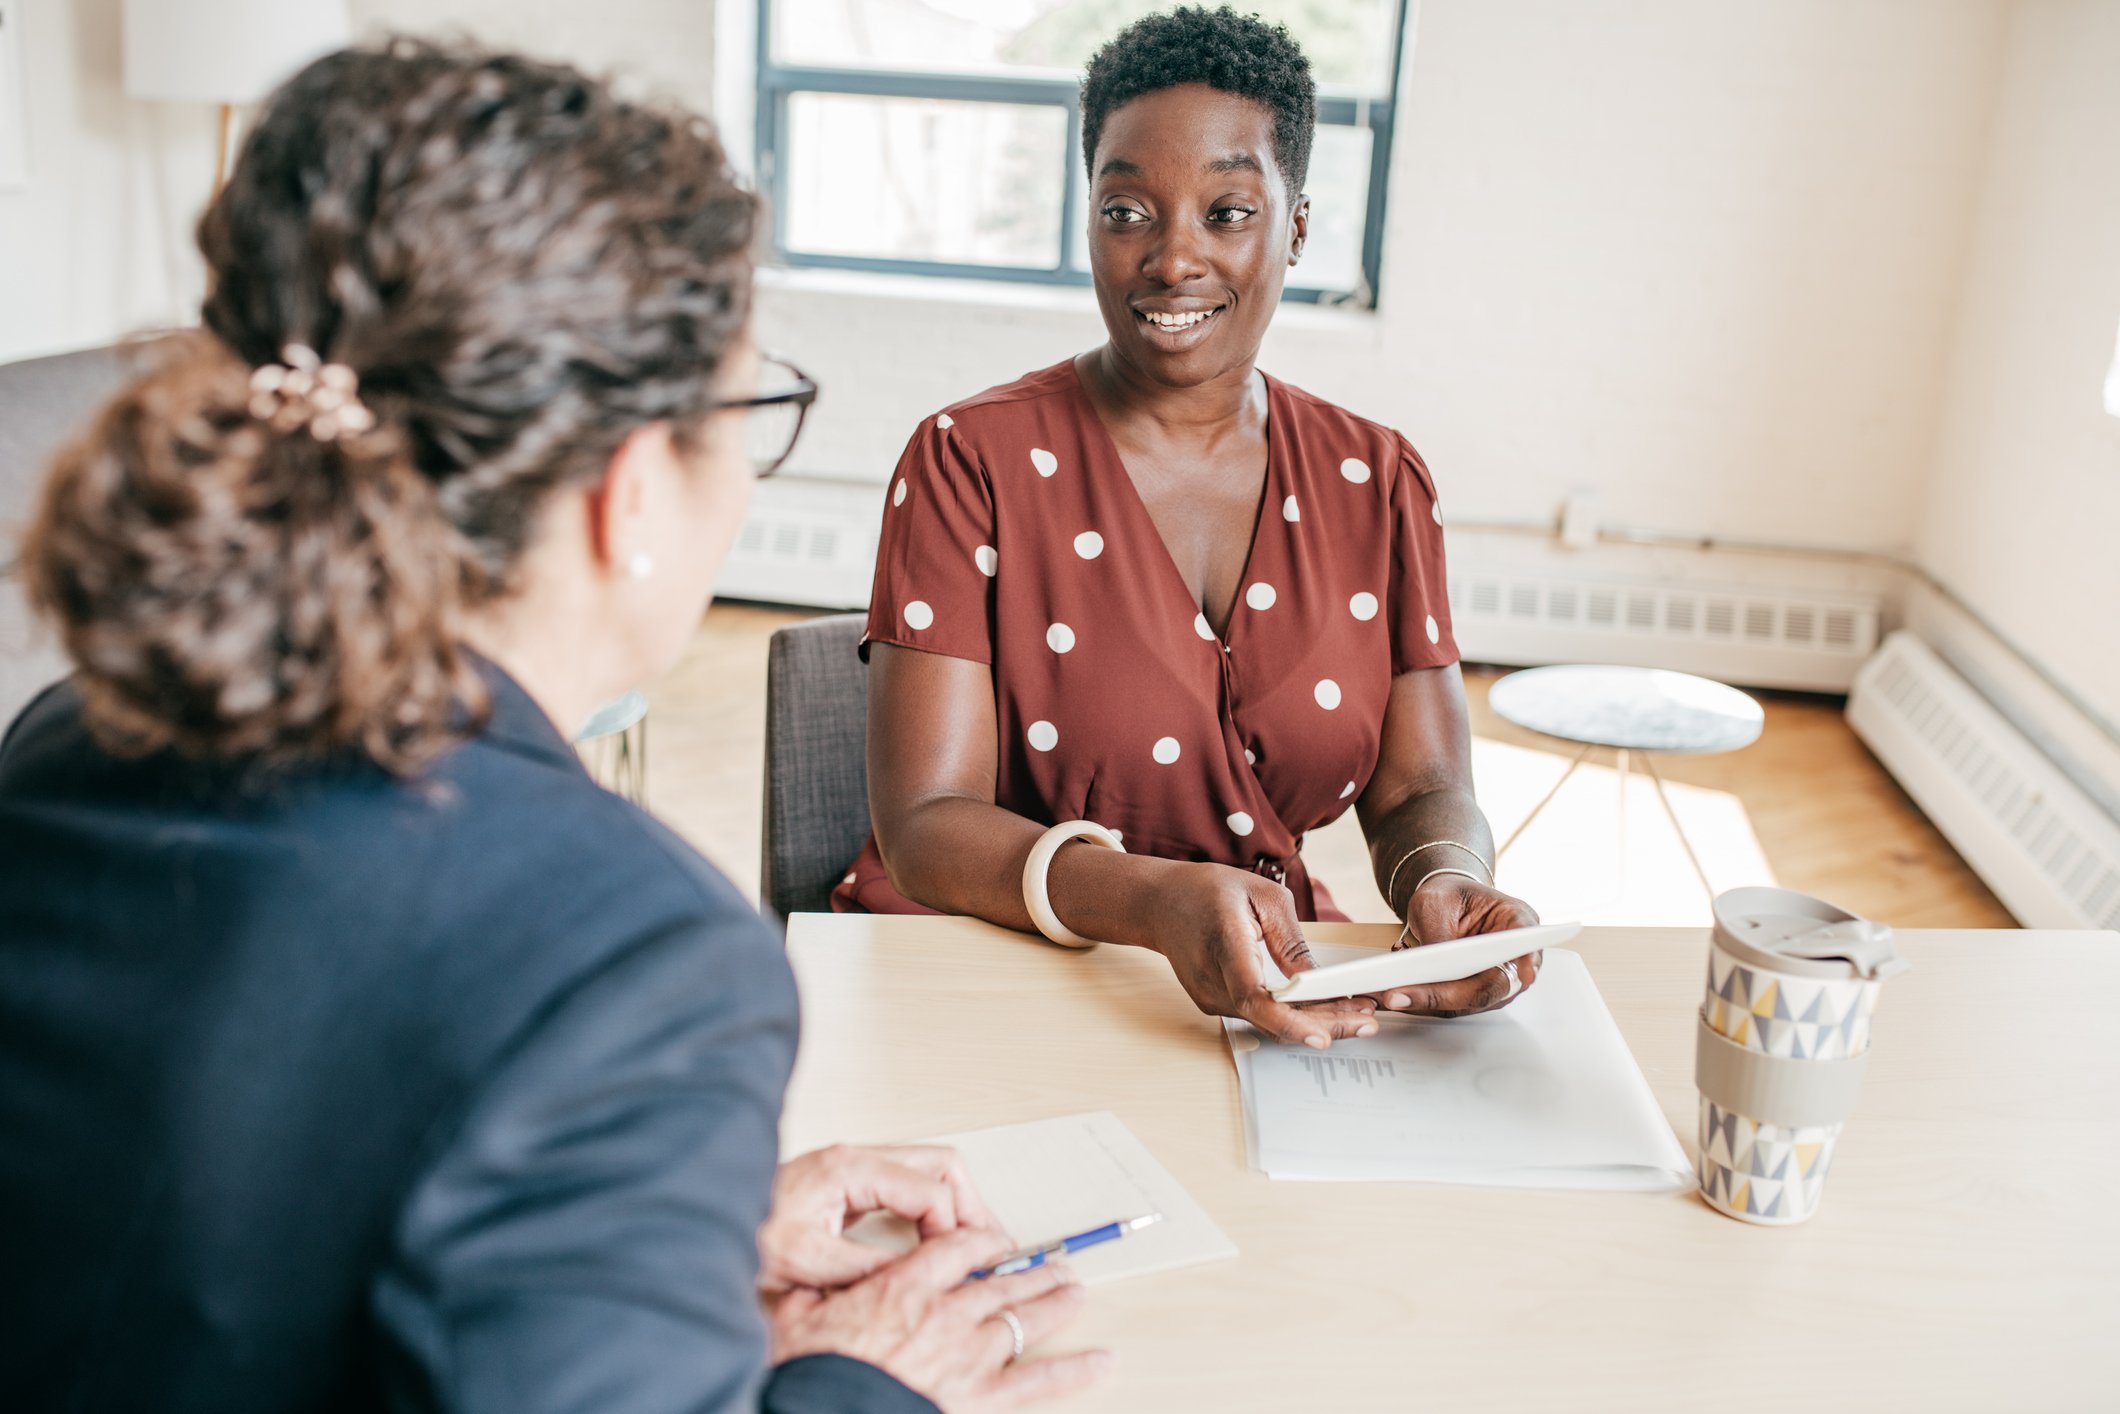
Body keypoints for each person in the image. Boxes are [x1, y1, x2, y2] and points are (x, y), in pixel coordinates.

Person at [0, 42, 1105, 1414]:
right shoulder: (631, 960)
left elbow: (198, 1221)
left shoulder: (66, 739)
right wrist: (859, 1381)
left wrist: (622, 1229)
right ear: (630, 489)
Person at [840, 7, 1543, 1048]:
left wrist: (1447, 880)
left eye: (1225, 210)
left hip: (1267, 984)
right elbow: (925, 824)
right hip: (988, 970)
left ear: (1293, 224)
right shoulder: (969, 460)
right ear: (1085, 219)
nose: (1172, 258)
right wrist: (1149, 899)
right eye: (1126, 211)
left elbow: (1421, 787)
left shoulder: (1378, 480)